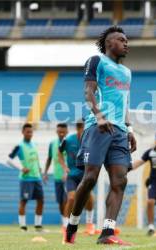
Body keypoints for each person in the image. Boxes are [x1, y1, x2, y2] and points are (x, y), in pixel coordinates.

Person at [64, 26, 136, 246]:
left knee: (120, 180)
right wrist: (99, 116)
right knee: (90, 178)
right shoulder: (96, 61)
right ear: (109, 43)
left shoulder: (127, 72)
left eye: (126, 40)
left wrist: (130, 129)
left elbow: (125, 103)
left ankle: (107, 232)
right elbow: (88, 91)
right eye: (121, 40)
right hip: (98, 127)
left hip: (120, 132)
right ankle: (72, 225)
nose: (126, 43)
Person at [58, 120, 96, 235]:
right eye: (81, 128)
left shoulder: (92, 141)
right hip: (72, 176)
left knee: (89, 198)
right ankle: (65, 226)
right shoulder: (68, 140)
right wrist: (64, 167)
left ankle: (89, 224)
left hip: (86, 176)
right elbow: (59, 152)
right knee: (71, 198)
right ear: (78, 128)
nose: (83, 130)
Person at [7, 123, 44, 232]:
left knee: (41, 200)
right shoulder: (19, 146)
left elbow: (36, 159)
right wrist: (21, 168)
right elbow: (9, 159)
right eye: (28, 132)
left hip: (37, 177)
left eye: (31, 132)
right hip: (26, 179)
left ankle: (38, 226)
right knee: (24, 201)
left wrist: (39, 168)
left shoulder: (34, 144)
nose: (30, 134)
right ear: (23, 132)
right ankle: (23, 226)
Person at [43, 123, 69, 230]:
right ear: (56, 131)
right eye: (59, 131)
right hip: (57, 177)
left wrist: (67, 172)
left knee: (67, 200)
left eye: (63, 131)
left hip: (69, 176)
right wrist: (45, 172)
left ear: (67, 131)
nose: (61, 133)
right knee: (60, 201)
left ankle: (68, 223)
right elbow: (49, 158)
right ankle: (64, 223)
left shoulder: (70, 143)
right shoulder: (52, 144)